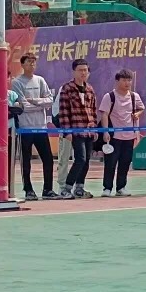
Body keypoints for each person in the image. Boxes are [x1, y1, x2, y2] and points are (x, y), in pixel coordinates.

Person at [11, 53, 58, 200]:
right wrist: (39, 104)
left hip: (41, 127)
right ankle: (28, 190)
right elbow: (23, 106)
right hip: (25, 128)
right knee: (26, 161)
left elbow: (49, 101)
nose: (32, 64)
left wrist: (34, 101)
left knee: (48, 159)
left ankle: (48, 190)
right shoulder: (17, 82)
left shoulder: (40, 80)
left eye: (33, 62)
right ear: (22, 64)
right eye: (28, 62)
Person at [97, 69, 145, 197]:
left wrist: (137, 114)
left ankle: (121, 187)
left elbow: (141, 108)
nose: (127, 83)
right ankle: (107, 188)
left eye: (129, 80)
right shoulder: (109, 96)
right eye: (124, 80)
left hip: (130, 136)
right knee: (110, 163)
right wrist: (105, 131)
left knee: (125, 162)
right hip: (114, 136)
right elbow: (104, 114)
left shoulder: (134, 96)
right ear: (117, 81)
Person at [58, 59, 98, 199]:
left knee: (87, 160)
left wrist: (95, 128)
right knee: (80, 159)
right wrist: (67, 131)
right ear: (73, 72)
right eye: (80, 70)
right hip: (75, 129)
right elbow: (63, 111)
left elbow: (93, 110)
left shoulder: (90, 89)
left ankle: (79, 187)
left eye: (85, 70)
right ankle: (66, 188)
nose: (83, 73)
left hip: (89, 130)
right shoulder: (67, 88)